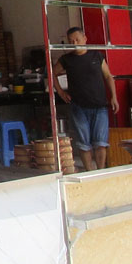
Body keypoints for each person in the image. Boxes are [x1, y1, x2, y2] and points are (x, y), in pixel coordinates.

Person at [52, 26, 118, 170]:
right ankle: (89, 172)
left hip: (100, 106)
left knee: (101, 143)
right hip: (78, 107)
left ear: (85, 39)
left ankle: (100, 171)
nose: (75, 43)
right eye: (71, 41)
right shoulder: (66, 59)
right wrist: (61, 93)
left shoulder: (96, 56)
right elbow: (52, 74)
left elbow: (108, 76)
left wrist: (114, 97)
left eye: (77, 39)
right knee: (83, 143)